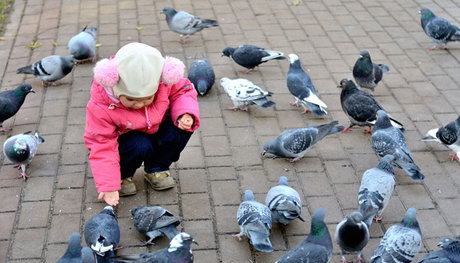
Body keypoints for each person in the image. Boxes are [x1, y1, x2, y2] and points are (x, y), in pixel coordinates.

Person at [84, 42, 200, 206]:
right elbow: (101, 143)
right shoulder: (102, 105)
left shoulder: (164, 81)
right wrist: (109, 185)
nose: (139, 105)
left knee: (181, 128)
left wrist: (185, 113)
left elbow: (184, 91)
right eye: (130, 99)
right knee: (139, 144)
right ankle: (123, 175)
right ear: (115, 86)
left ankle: (157, 167)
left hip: (156, 127)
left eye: (147, 98)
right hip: (127, 141)